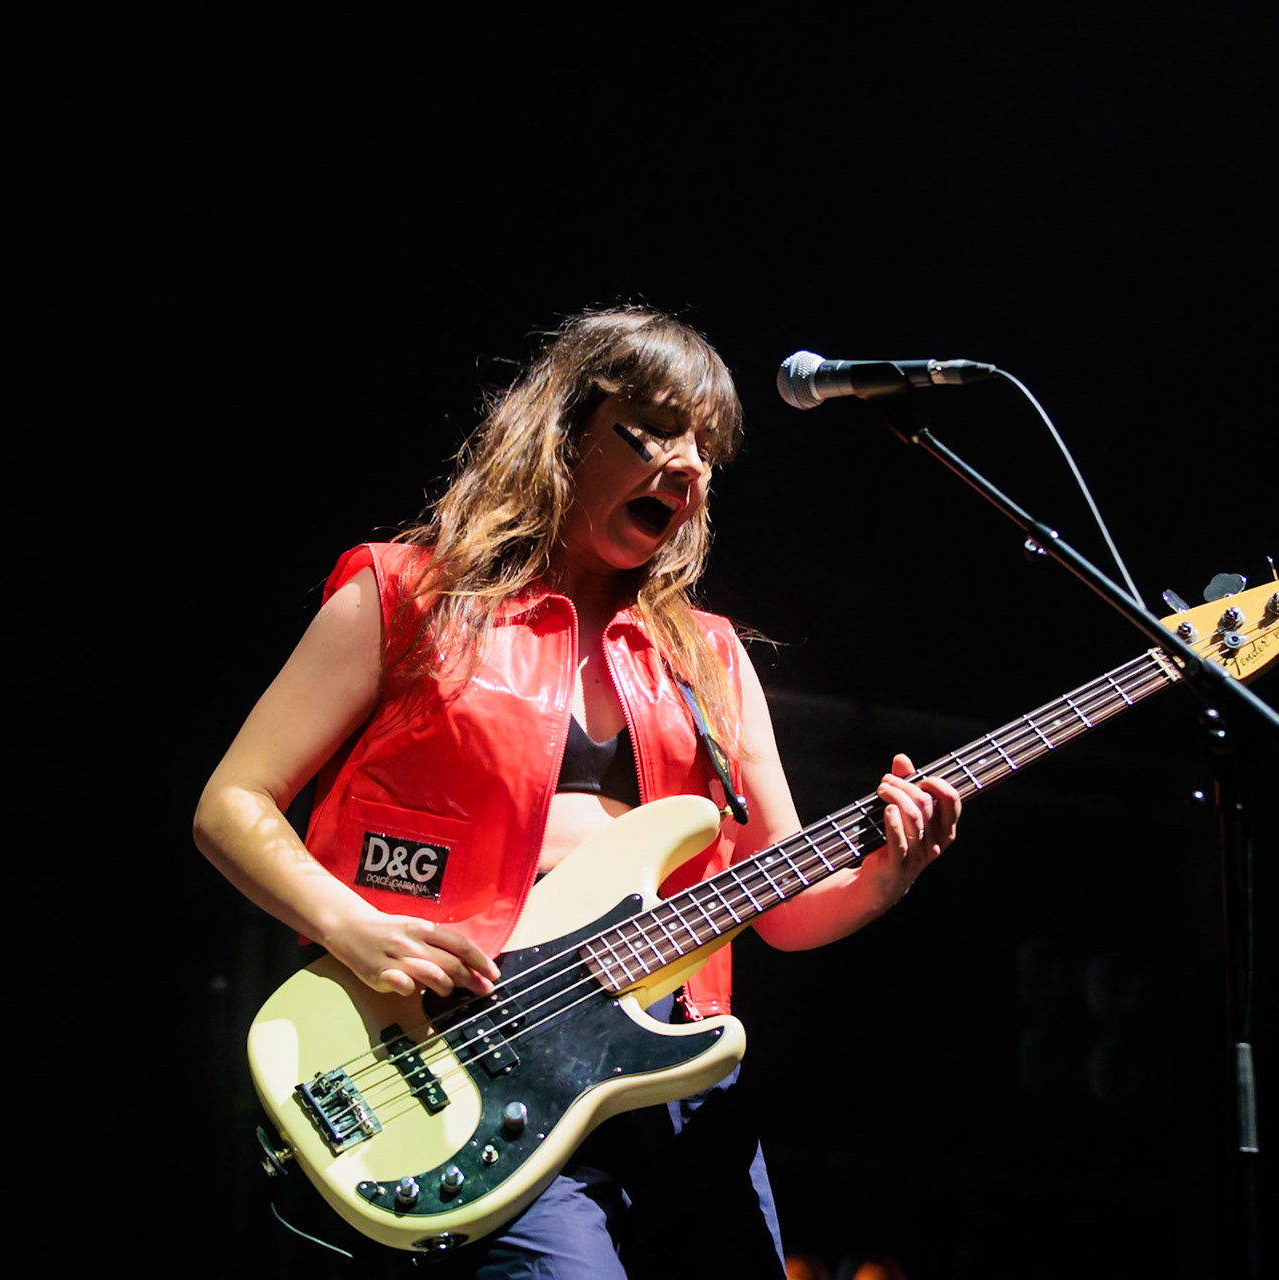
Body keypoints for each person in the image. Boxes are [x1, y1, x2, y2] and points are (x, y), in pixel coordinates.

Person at [193, 305, 961, 1278]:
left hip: (671, 1071)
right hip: (472, 1047)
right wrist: (351, 924)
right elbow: (233, 802)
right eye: (655, 430)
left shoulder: (711, 659)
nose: (687, 466)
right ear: (564, 432)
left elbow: (784, 904)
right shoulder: (406, 597)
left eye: (705, 449)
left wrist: (889, 872)